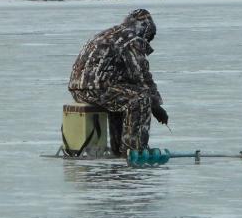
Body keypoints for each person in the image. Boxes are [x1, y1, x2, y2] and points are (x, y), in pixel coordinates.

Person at [68, 9, 168, 157]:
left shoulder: (111, 33)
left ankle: (118, 149)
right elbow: (141, 75)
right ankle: (133, 150)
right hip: (98, 89)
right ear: (145, 29)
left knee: (123, 98)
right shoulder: (131, 38)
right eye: (149, 37)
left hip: (79, 90)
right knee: (140, 99)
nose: (147, 41)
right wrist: (155, 105)